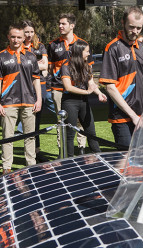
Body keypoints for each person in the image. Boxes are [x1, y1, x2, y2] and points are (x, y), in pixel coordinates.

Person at [99, 6, 143, 149]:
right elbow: (110, 88)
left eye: (138, 28)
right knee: (125, 161)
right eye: (131, 27)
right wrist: (133, 116)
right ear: (123, 22)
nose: (135, 31)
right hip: (121, 117)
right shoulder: (112, 48)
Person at [0, 23, 42, 174]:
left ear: (24, 38)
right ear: (8, 37)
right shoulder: (2, 56)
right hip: (8, 103)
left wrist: (39, 99)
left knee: (30, 137)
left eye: (19, 37)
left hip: (29, 102)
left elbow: (36, 79)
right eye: (13, 37)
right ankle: (6, 168)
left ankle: (30, 165)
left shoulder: (31, 56)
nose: (16, 40)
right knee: (7, 137)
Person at [47, 13, 89, 155]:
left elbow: (88, 67)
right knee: (61, 121)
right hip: (59, 88)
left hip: (79, 88)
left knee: (79, 120)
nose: (60, 26)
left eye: (63, 23)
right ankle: (63, 149)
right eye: (59, 23)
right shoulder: (53, 44)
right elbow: (50, 68)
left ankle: (81, 148)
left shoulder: (82, 43)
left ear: (72, 25)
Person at [60, 40, 107, 157]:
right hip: (69, 102)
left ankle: (99, 158)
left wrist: (99, 93)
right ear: (79, 52)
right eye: (87, 51)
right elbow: (68, 87)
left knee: (91, 132)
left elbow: (91, 83)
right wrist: (86, 92)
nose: (89, 54)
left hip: (84, 101)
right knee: (69, 135)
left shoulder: (87, 65)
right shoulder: (66, 65)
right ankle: (69, 162)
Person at [22, 20, 49, 162]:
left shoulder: (40, 46)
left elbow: (45, 66)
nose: (29, 35)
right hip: (23, 88)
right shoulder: (17, 46)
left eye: (31, 32)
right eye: (26, 32)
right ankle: (28, 153)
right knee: (26, 120)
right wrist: (37, 64)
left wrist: (29, 65)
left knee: (36, 121)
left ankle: (36, 152)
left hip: (40, 86)